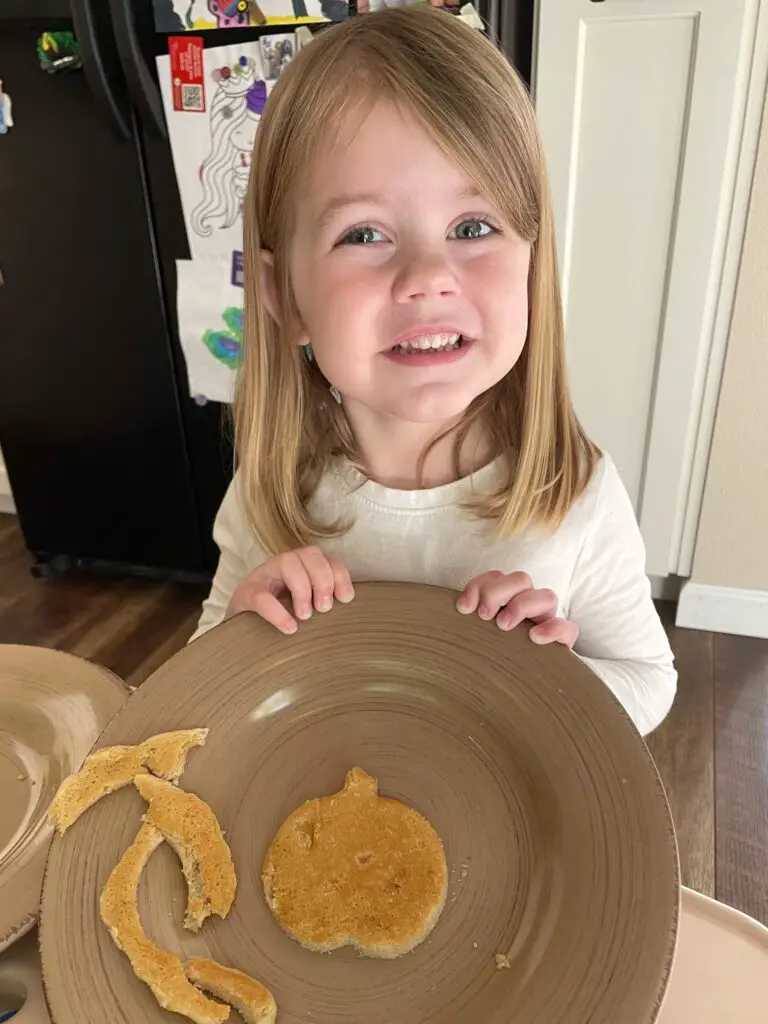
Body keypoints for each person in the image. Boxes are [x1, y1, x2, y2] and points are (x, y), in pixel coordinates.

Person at [191, 6, 676, 737]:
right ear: (284, 298)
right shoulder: (270, 492)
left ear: (533, 265)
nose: (428, 277)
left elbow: (648, 680)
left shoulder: (572, 495)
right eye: (364, 234)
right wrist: (239, 633)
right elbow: (197, 684)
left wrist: (548, 676)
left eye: (473, 228)